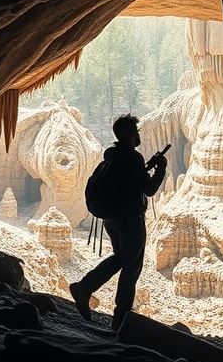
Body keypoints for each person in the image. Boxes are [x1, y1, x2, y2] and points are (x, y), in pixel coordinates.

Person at [69, 114, 166, 331]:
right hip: (130, 220)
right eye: (136, 131)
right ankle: (120, 320)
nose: (138, 135)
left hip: (111, 220)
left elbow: (127, 181)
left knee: (120, 258)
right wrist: (161, 169)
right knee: (131, 267)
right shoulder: (132, 157)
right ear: (131, 134)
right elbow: (149, 189)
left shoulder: (111, 157)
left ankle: (85, 287)